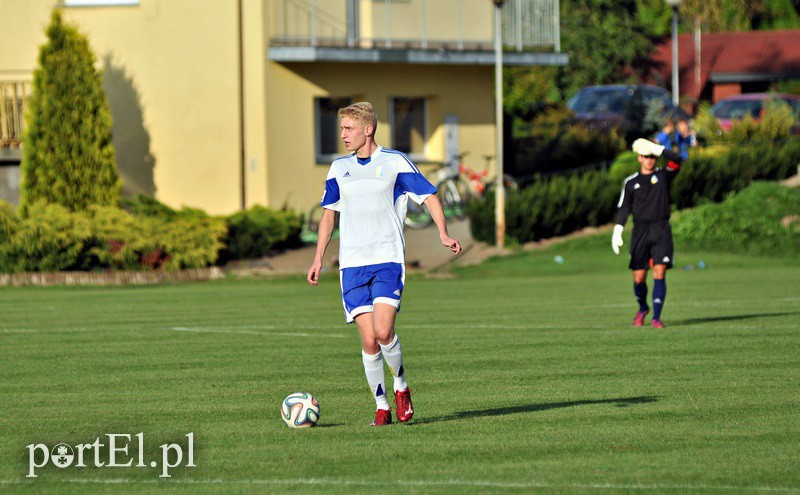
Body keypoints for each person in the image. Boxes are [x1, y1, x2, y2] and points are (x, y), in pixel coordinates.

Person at [307, 102, 462, 426]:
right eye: (341, 129)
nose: (343, 135)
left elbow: (430, 196)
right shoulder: (338, 168)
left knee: (383, 330)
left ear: (368, 129)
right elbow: (328, 215)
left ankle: (401, 387)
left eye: (348, 129)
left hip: (387, 259)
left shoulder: (395, 163)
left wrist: (443, 233)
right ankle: (381, 405)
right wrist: (319, 257)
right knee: (367, 340)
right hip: (351, 266)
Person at [611, 138, 684, 329]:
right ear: (639, 158)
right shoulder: (631, 182)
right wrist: (618, 229)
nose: (650, 160)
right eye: (646, 156)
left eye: (652, 156)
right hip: (640, 232)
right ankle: (643, 308)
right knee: (639, 277)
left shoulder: (663, 176)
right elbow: (624, 208)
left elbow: (678, 159)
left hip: (661, 230)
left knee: (659, 272)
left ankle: (656, 318)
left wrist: (658, 148)